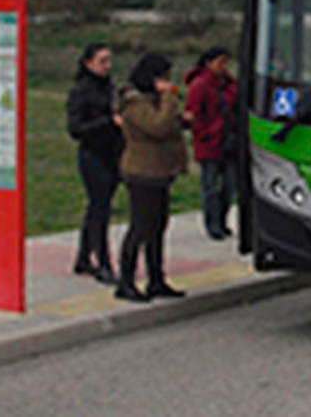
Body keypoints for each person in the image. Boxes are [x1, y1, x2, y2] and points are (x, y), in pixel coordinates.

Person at [114, 52, 189, 302]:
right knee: (140, 227)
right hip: (141, 172)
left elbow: (166, 123)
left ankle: (156, 279)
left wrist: (182, 120)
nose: (168, 82)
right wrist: (169, 97)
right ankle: (125, 281)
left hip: (160, 171)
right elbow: (157, 127)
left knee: (158, 226)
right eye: (164, 78)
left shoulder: (151, 100)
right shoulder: (134, 102)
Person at [65, 43, 122, 285]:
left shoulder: (109, 88)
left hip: (113, 152)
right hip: (93, 154)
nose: (107, 66)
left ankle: (83, 257)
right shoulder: (82, 91)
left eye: (109, 60)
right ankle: (103, 262)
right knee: (100, 209)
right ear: (88, 63)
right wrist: (108, 122)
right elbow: (76, 129)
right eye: (102, 61)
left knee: (98, 206)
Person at [185, 47, 238, 241]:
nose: (223, 67)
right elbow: (194, 114)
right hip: (210, 142)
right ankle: (212, 223)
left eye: (226, 62)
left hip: (229, 140)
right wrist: (205, 134)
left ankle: (222, 219)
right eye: (220, 62)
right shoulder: (200, 85)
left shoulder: (230, 84)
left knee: (230, 184)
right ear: (208, 63)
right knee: (211, 185)